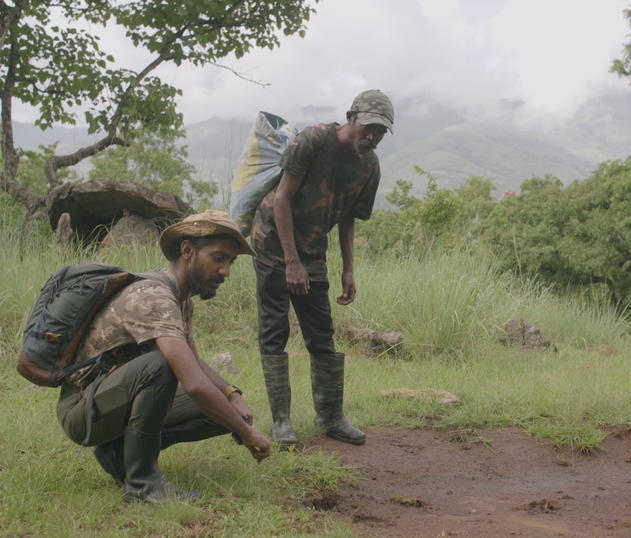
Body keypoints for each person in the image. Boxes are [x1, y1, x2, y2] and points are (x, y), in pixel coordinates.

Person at [56, 210, 271, 503]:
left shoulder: (181, 301)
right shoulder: (154, 296)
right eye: (218, 258)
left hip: (111, 399)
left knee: (228, 411)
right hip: (82, 409)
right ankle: (143, 486)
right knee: (161, 367)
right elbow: (192, 383)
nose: (226, 272)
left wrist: (232, 393)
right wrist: (247, 435)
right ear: (187, 251)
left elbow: (194, 362)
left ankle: (118, 453)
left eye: (230, 262)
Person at [251, 89, 394, 446]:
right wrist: (291, 262)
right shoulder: (314, 140)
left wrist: (348, 269)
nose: (373, 137)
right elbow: (282, 198)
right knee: (274, 328)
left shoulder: (369, 165)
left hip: (313, 250)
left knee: (321, 332)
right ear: (351, 117)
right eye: (369, 128)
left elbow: (348, 218)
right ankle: (281, 422)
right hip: (272, 242)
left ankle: (330, 416)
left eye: (381, 132)